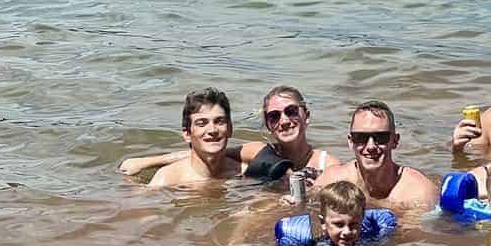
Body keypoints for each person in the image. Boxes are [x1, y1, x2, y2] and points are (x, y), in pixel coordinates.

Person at [119, 84, 340, 181]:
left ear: (306, 116)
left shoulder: (326, 164)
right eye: (274, 116)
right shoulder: (258, 152)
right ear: (268, 123)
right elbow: (210, 153)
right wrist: (147, 162)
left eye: (291, 112)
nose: (284, 120)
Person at [311, 101, 438, 209]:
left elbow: (416, 237)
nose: (371, 146)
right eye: (361, 137)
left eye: (380, 137)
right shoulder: (331, 181)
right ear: (350, 141)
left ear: (395, 141)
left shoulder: (418, 192)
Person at [147, 88, 243, 188]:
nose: (212, 130)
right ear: (187, 134)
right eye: (201, 123)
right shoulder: (167, 179)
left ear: (230, 129)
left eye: (219, 121)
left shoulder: (244, 174)